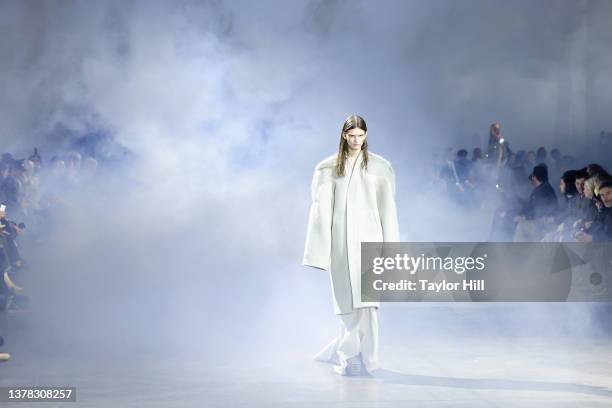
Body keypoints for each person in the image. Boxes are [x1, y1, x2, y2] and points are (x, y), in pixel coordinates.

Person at [303, 115, 400, 376]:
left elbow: (388, 211)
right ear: (344, 135)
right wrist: (319, 251)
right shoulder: (327, 168)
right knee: (347, 302)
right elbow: (320, 213)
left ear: (366, 135)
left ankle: (362, 357)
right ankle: (350, 356)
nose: (356, 140)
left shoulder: (380, 168)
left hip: (371, 241)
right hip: (341, 245)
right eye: (352, 135)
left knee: (368, 303)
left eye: (361, 135)